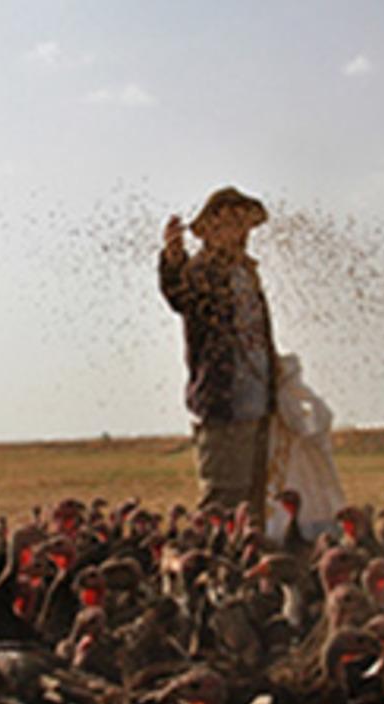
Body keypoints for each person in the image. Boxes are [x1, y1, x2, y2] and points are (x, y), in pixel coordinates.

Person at [158, 187, 277, 523]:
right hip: (224, 401)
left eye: (243, 223)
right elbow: (180, 297)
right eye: (230, 222)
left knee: (255, 503)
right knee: (223, 501)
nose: (239, 230)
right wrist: (173, 259)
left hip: (257, 401)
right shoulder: (203, 270)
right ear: (210, 228)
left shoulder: (246, 272)